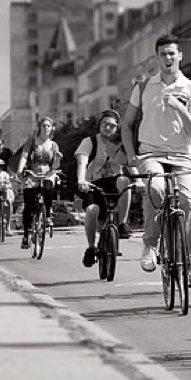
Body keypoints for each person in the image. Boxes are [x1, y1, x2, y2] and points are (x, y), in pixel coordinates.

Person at [121, 34, 191, 285]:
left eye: (172, 53)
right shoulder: (144, 87)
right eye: (163, 54)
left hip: (183, 156)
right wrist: (131, 154)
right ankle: (150, 245)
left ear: (180, 56)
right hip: (151, 154)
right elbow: (127, 125)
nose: (168, 58)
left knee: (188, 201)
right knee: (155, 188)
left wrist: (179, 108)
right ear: (157, 58)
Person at [74, 109, 134, 268]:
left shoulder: (121, 143)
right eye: (105, 124)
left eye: (112, 126)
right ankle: (91, 247)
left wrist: (140, 180)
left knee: (125, 180)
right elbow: (82, 161)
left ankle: (122, 224)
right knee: (92, 210)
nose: (108, 128)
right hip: (93, 184)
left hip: (113, 182)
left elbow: (131, 163)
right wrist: (81, 180)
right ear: (99, 125)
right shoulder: (90, 142)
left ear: (117, 128)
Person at [14, 116, 64, 249]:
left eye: (48, 126)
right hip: (33, 173)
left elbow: (55, 166)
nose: (46, 128)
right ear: (39, 128)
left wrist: (58, 159)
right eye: (44, 125)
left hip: (47, 173)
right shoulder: (32, 141)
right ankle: (26, 234)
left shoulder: (53, 145)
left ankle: (48, 215)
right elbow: (24, 156)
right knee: (29, 204)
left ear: (52, 129)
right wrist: (20, 169)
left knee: (48, 188)